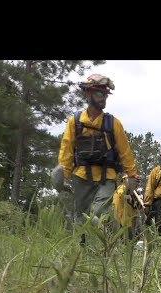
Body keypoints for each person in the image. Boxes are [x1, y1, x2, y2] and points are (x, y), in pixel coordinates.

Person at [57, 74, 139, 230]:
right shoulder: (74, 121)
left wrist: (132, 175)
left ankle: (105, 240)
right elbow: (66, 150)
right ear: (88, 94)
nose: (103, 98)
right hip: (80, 176)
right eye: (99, 94)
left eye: (105, 95)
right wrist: (63, 175)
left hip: (106, 177)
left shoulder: (113, 123)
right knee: (80, 216)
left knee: (97, 212)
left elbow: (125, 152)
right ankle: (83, 250)